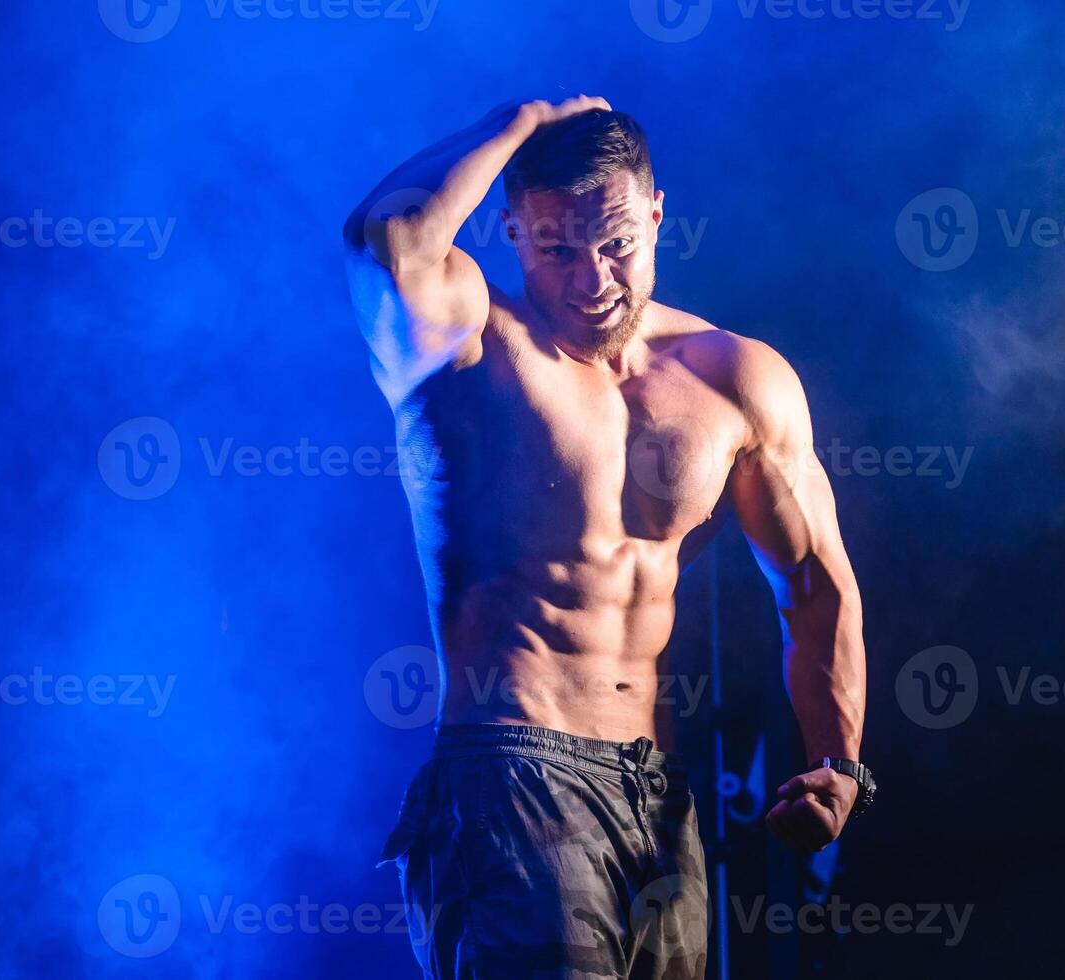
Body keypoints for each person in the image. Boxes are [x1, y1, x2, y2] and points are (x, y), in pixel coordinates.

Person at [342, 95, 874, 979]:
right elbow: (383, 238)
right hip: (512, 778)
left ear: (659, 216)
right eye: (556, 250)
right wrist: (516, 122)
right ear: (508, 230)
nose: (592, 281)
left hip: (659, 803)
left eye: (618, 244)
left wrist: (840, 765)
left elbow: (815, 585)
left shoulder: (734, 379)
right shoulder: (467, 343)